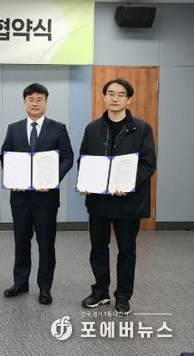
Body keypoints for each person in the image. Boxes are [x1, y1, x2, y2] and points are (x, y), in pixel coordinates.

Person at [79, 78, 156, 315]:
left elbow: (148, 164)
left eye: (121, 94)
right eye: (111, 93)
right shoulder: (93, 128)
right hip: (99, 201)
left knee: (127, 251)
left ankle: (123, 296)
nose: (115, 98)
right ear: (104, 97)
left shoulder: (142, 128)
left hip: (128, 201)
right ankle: (100, 291)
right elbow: (84, 159)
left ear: (128, 99)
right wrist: (85, 182)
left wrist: (127, 183)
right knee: (98, 248)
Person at [0, 83, 73, 305]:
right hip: (20, 197)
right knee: (21, 242)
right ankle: (20, 282)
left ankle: (45, 287)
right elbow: (5, 155)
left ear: (46, 102)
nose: (35, 103)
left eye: (39, 99)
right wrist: (13, 178)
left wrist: (53, 179)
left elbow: (68, 157)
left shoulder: (58, 128)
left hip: (46, 198)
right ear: (24, 102)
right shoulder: (14, 128)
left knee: (46, 244)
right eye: (30, 99)